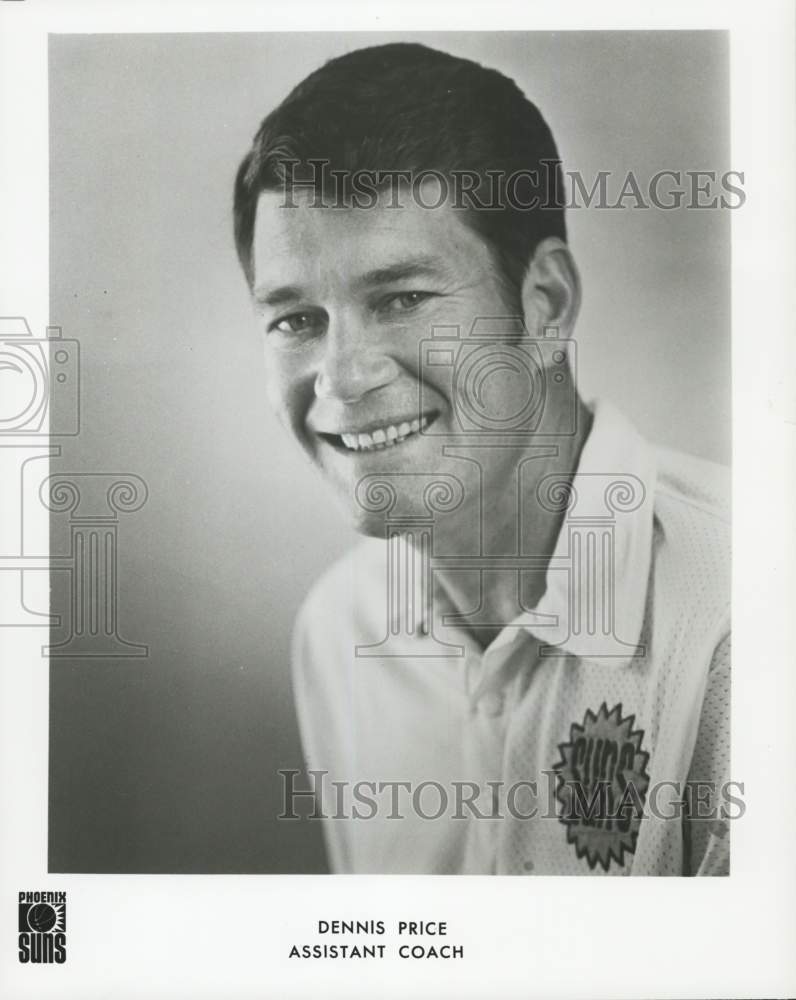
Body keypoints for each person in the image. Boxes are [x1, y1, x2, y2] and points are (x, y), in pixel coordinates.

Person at [233, 42, 731, 875]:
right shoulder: (340, 629)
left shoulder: (742, 620)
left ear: (546, 305)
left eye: (402, 299)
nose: (342, 378)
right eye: (295, 320)